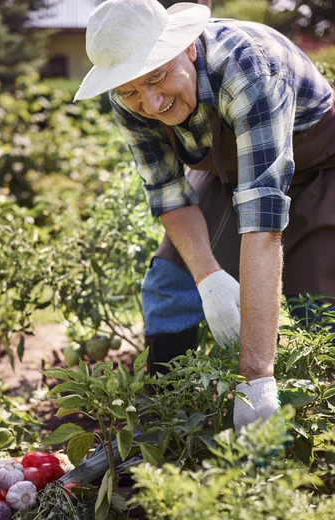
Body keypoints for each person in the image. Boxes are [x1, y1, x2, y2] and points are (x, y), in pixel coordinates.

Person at [74, 0, 335, 433]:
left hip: (320, 162)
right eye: (132, 91)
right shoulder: (129, 95)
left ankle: (314, 434)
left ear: (189, 49)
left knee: (317, 305)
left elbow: (262, 226)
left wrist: (256, 377)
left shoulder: (248, 69)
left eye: (157, 76)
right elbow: (168, 194)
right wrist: (207, 277)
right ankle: (163, 426)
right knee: (171, 281)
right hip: (228, 168)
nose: (152, 103)